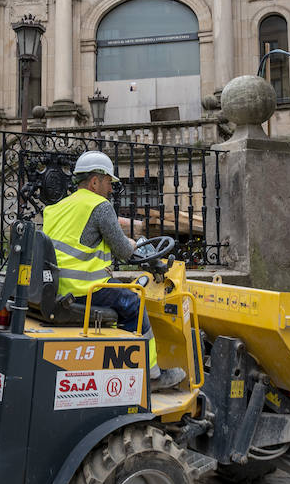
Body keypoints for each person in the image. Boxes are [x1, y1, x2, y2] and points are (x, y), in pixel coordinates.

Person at [43, 150, 186, 391]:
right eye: (109, 182)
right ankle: (151, 376)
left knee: (119, 291)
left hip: (56, 286)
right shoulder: (100, 206)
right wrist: (133, 246)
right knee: (134, 302)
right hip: (82, 289)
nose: (111, 188)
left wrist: (125, 243)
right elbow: (125, 252)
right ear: (95, 181)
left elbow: (82, 241)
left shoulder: (56, 207)